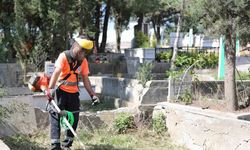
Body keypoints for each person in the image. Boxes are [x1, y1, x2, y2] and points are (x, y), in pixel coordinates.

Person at [45, 36, 100, 150]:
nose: (82, 54)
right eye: (81, 51)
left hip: (74, 93)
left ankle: (67, 145)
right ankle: (55, 145)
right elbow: (56, 72)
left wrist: (92, 95)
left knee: (74, 118)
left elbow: (85, 79)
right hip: (61, 92)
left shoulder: (83, 61)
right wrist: (50, 89)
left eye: (85, 52)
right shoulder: (63, 56)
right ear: (75, 46)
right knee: (56, 116)